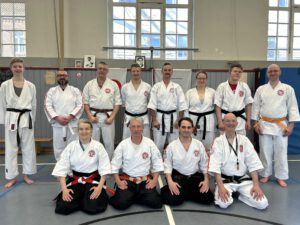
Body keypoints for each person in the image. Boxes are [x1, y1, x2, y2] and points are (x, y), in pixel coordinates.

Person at [252, 64, 300, 187]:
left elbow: (293, 107)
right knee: (265, 151)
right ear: (267, 73)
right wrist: (255, 123)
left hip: (281, 125)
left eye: (275, 71)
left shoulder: (287, 88)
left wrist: (291, 125)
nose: (272, 73)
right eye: (270, 71)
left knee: (281, 151)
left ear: (280, 72)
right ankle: (265, 173)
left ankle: (281, 176)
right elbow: (256, 107)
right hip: (264, 124)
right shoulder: (261, 89)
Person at [208, 113, 268, 210]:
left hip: (243, 180)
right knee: (223, 204)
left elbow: (253, 164)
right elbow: (215, 166)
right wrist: (221, 187)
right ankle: (227, 192)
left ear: (236, 123)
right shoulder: (218, 142)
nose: (230, 123)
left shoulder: (244, 140)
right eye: (227, 121)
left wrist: (256, 185)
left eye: (233, 121)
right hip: (225, 181)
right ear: (223, 123)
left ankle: (241, 194)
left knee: (262, 204)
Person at [52, 119, 111, 215]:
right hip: (76, 180)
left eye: (87, 129)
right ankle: (82, 199)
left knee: (92, 208)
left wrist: (99, 188)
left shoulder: (98, 146)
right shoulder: (71, 146)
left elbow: (104, 169)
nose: (84, 132)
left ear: (91, 131)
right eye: (81, 129)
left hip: (93, 179)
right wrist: (64, 190)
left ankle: (83, 199)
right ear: (77, 131)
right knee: (63, 208)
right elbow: (61, 168)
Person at [109, 117, 164, 210]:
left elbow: (158, 163)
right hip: (128, 181)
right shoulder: (123, 145)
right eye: (133, 127)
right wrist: (118, 182)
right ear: (129, 128)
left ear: (143, 128)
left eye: (139, 126)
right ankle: (134, 196)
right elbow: (114, 166)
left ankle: (131, 197)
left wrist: (154, 180)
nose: (136, 129)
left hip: (144, 181)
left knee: (156, 203)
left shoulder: (149, 143)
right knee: (120, 204)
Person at [0, 58, 37, 188]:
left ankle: (27, 175)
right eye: (15, 66)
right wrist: (4, 120)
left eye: (20, 66)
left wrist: (33, 119)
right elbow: (2, 104)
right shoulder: (4, 85)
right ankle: (12, 177)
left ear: (23, 68)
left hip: (26, 118)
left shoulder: (31, 86)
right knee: (11, 149)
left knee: (28, 148)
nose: (18, 68)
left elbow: (34, 105)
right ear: (11, 68)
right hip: (11, 119)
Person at [161, 117, 214, 206]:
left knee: (208, 199)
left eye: (189, 127)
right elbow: (167, 166)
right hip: (178, 178)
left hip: (194, 178)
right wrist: (170, 182)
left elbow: (204, 165)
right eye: (183, 127)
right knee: (174, 201)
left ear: (192, 129)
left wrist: (206, 181)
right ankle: (168, 190)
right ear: (179, 128)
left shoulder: (198, 144)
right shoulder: (172, 146)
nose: (186, 130)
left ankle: (185, 193)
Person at [83, 62, 121, 159]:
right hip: (93, 116)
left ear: (107, 71)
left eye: (104, 69)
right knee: (93, 142)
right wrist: (90, 116)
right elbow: (85, 102)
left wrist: (112, 117)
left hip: (108, 116)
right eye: (100, 68)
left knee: (109, 142)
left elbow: (117, 103)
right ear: (97, 70)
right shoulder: (89, 84)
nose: (102, 71)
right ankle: (93, 163)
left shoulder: (113, 85)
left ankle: (109, 165)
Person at [44, 70, 83, 161]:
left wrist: (71, 116)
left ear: (68, 77)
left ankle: (73, 168)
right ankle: (60, 170)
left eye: (64, 75)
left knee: (73, 147)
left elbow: (80, 105)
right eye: (59, 75)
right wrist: (57, 118)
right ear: (57, 77)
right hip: (58, 124)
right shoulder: (51, 91)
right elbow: (47, 105)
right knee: (59, 148)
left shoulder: (75, 90)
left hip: (72, 124)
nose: (62, 77)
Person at [148, 62, 187, 152]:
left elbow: (182, 105)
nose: (167, 72)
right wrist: (154, 120)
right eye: (165, 70)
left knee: (174, 146)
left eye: (169, 70)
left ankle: (173, 164)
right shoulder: (156, 87)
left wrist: (179, 120)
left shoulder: (177, 87)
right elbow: (152, 105)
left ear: (172, 72)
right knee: (158, 145)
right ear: (162, 72)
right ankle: (157, 165)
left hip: (173, 119)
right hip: (159, 117)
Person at [215, 64, 253, 135]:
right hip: (225, 119)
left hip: (240, 120)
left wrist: (248, 121)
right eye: (235, 71)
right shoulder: (222, 87)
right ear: (229, 72)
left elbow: (248, 105)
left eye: (239, 72)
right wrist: (220, 122)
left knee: (240, 142)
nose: (237, 73)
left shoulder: (244, 86)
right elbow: (218, 106)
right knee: (225, 143)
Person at [185, 71, 216, 150]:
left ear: (206, 79)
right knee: (193, 146)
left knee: (209, 146)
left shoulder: (212, 92)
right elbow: (185, 109)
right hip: (194, 121)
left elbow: (217, 107)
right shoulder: (189, 92)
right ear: (196, 79)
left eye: (203, 78)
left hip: (208, 121)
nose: (201, 80)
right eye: (199, 78)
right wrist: (189, 123)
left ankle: (208, 161)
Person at [121, 63, 151, 139]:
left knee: (145, 139)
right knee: (127, 139)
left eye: (137, 71)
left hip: (143, 117)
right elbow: (124, 103)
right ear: (131, 72)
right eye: (133, 71)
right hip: (129, 116)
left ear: (140, 72)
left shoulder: (147, 86)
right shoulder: (125, 87)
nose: (135, 73)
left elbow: (150, 102)